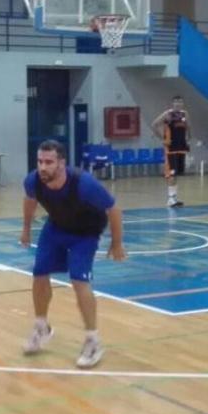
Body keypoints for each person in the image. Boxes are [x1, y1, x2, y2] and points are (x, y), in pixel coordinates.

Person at [20, 140, 127, 368]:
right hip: (56, 227)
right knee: (39, 273)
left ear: (61, 163)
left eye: (49, 162)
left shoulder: (83, 184)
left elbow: (114, 209)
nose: (42, 167)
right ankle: (41, 327)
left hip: (85, 234)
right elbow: (29, 201)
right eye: (40, 161)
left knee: (79, 280)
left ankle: (93, 340)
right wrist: (26, 229)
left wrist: (117, 243)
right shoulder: (33, 181)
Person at [151, 95, 191, 207]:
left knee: (177, 174)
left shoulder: (185, 114)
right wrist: (163, 138)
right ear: (172, 103)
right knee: (172, 174)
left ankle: (174, 197)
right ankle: (170, 199)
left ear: (182, 103)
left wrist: (189, 138)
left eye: (180, 102)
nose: (178, 104)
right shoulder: (167, 114)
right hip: (171, 148)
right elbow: (154, 125)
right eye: (176, 102)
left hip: (181, 147)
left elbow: (188, 127)